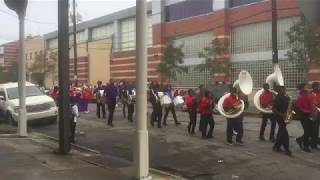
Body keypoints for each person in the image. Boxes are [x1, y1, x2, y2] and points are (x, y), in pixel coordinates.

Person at [272, 86, 292, 156]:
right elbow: (273, 109)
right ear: (279, 90)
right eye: (282, 89)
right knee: (284, 133)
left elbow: (289, 106)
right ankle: (287, 149)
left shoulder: (286, 97)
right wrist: (280, 114)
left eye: (284, 89)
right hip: (279, 117)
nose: (284, 90)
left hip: (285, 117)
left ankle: (276, 146)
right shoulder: (276, 98)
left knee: (281, 132)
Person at [295, 83, 314, 152]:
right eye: (306, 87)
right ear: (302, 88)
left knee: (310, 131)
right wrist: (308, 112)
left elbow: (312, 104)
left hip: (309, 114)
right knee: (307, 131)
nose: (308, 88)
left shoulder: (309, 95)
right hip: (304, 115)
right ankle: (306, 146)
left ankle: (300, 140)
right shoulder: (300, 96)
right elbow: (299, 107)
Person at [311, 82, 320, 146]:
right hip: (315, 113)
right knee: (315, 129)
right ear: (313, 87)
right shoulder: (311, 94)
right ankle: (313, 143)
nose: (319, 87)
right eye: (317, 86)